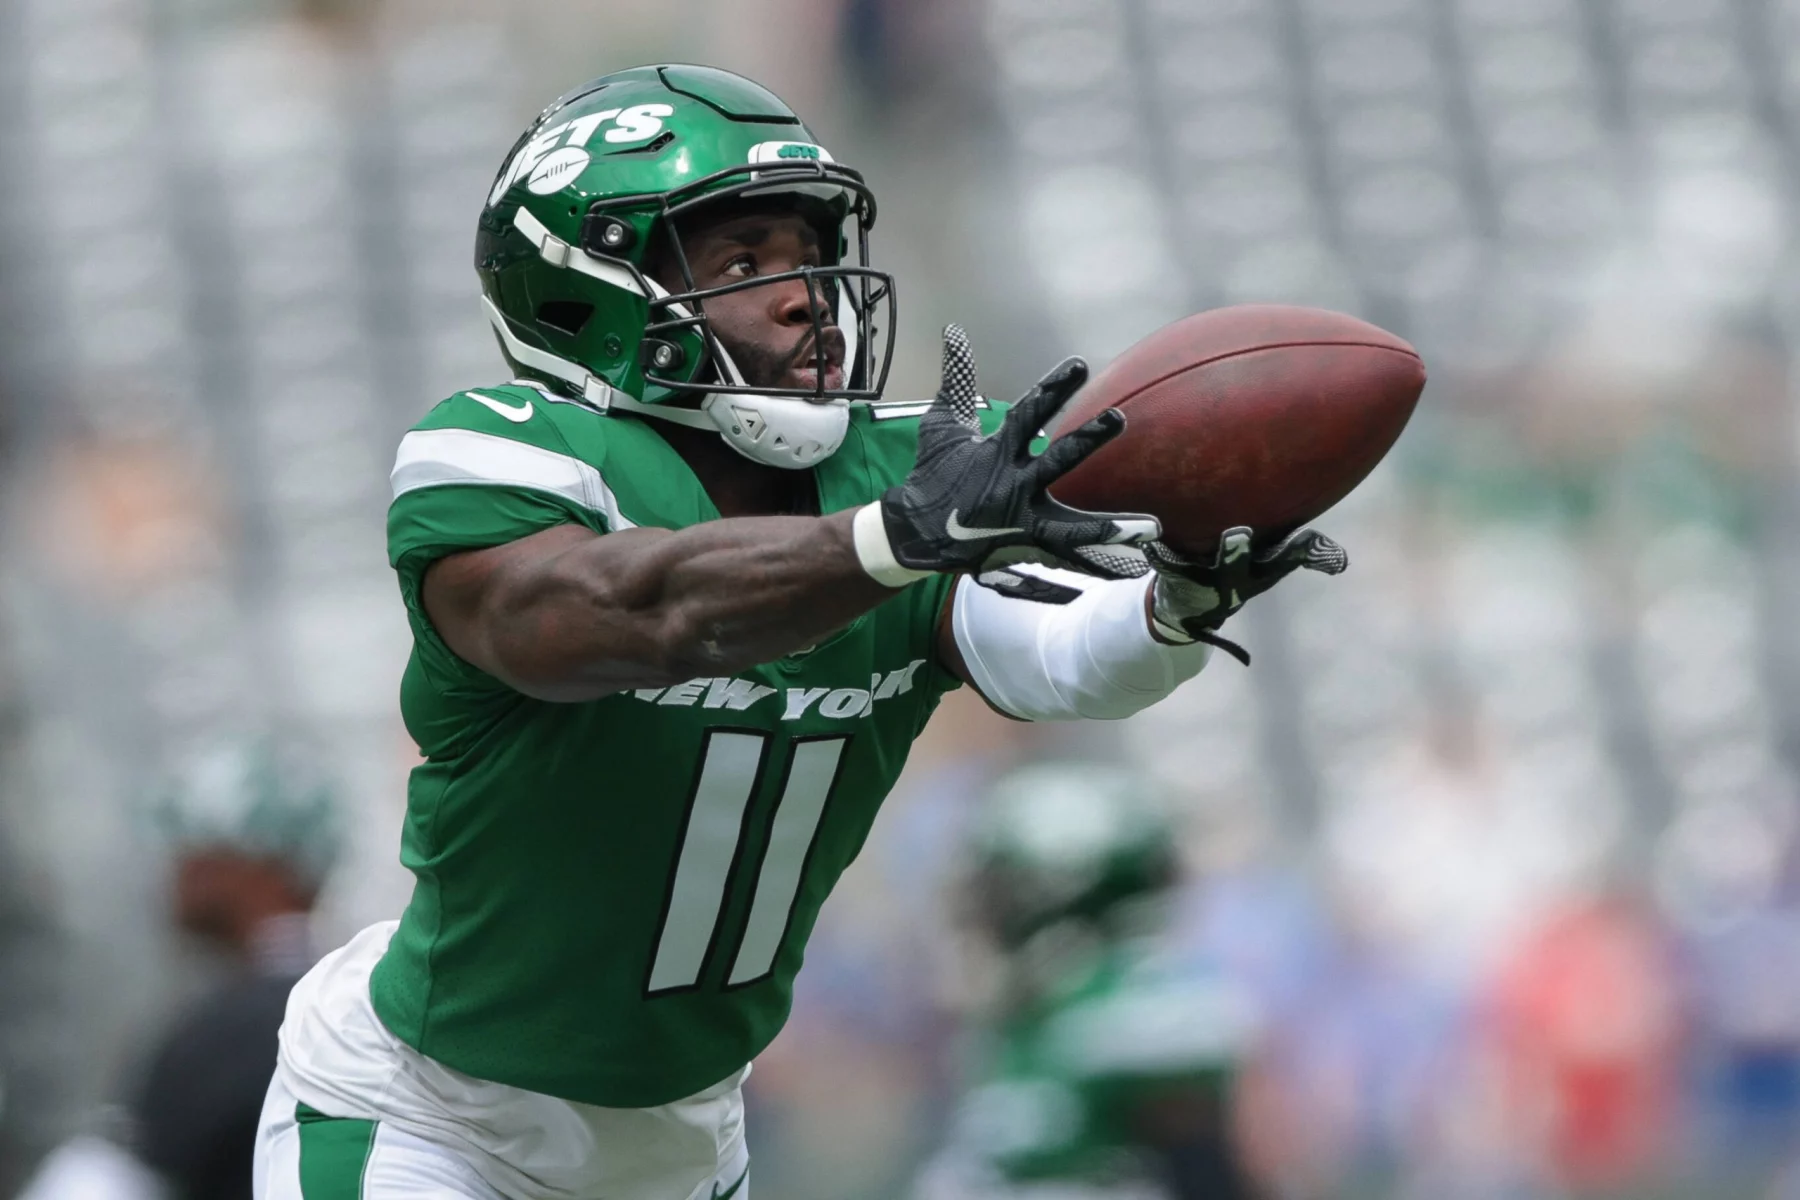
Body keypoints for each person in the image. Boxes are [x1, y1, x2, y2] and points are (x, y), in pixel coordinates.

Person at [254, 64, 1346, 1200]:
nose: (805, 294)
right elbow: (604, 615)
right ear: (588, 294)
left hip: (682, 1147)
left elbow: (1064, 659)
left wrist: (1177, 599)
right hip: (429, 1118)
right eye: (743, 264)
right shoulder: (509, 452)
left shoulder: (903, 471)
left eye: (806, 252)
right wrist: (886, 542)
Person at [915, 764, 1266, 1200]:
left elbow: (1213, 1177)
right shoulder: (1030, 1019)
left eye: (1001, 893)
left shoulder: (1142, 1008)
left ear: (1066, 888)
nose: (986, 917)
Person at [21, 739, 339, 1200]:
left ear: (258, 863)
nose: (175, 868)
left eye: (195, 845)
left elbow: (103, 1188)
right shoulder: (335, 1002)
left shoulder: (236, 1026)